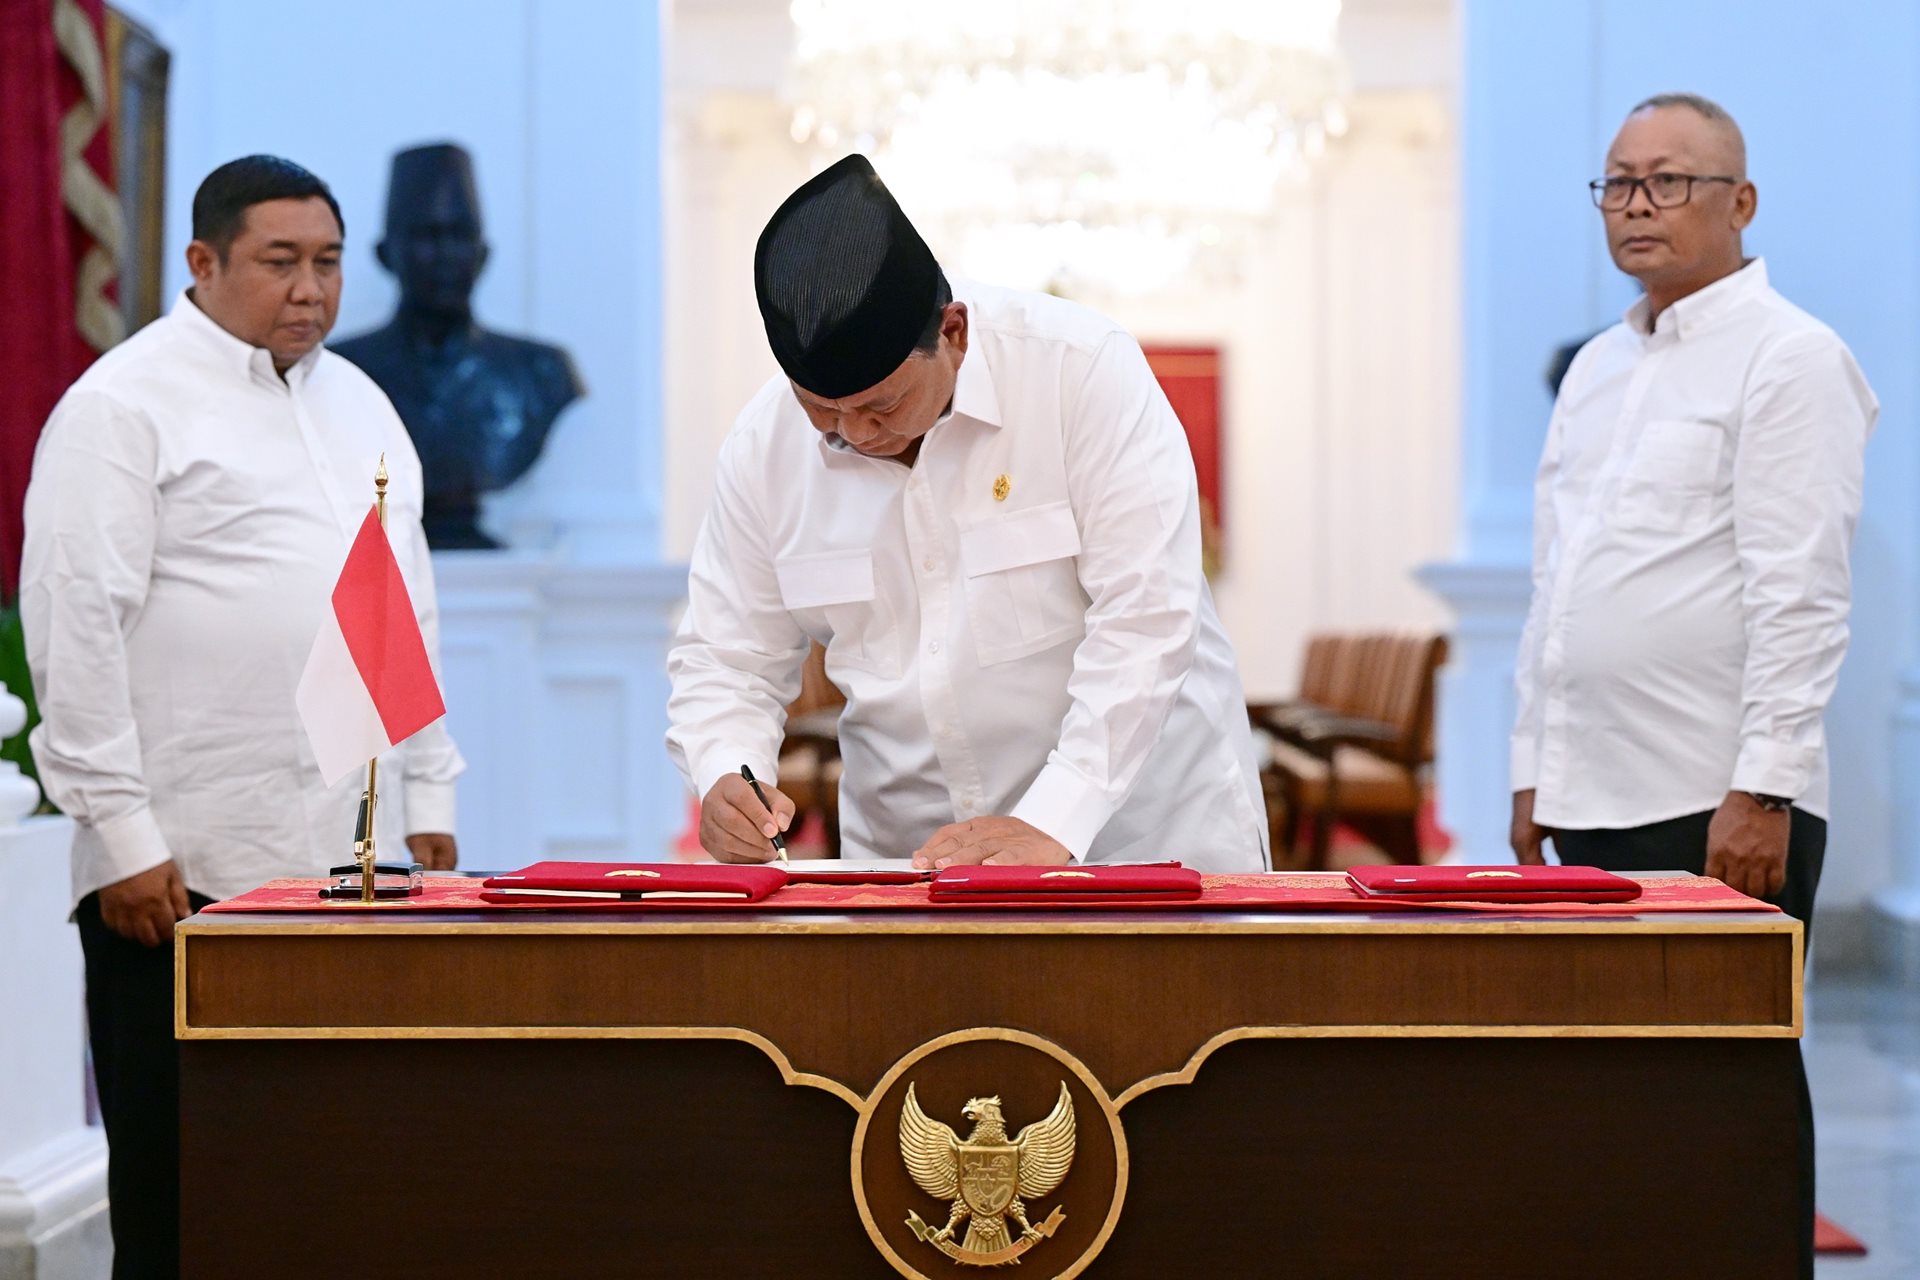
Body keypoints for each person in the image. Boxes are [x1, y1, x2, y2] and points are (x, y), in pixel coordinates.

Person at [20, 155, 465, 1280]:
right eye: (280, 263)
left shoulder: (361, 400)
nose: (310, 289)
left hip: (351, 869)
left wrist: (430, 790)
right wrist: (122, 836)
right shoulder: (121, 405)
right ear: (204, 262)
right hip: (179, 877)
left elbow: (402, 609)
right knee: (186, 1205)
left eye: (326, 263)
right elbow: (75, 625)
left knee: (338, 1185)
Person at [1508, 95, 1875, 1279]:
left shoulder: (1791, 356)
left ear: (1741, 203)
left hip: (1717, 798)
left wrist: (1763, 786)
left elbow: (1801, 588)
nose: (1637, 206)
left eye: (1669, 182)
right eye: (1618, 183)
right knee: (1616, 1092)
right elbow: (1556, 586)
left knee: (1733, 1092)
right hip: (1595, 788)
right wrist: (1530, 769)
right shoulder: (1601, 368)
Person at [667, 155, 1267, 873]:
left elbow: (1146, 620)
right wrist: (727, 771)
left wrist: (1053, 820)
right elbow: (727, 657)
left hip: (1138, 843)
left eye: (880, 406)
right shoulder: (764, 448)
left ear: (953, 332)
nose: (854, 435)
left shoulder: (1080, 371)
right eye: (823, 411)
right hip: (903, 866)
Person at [333, 142, 583, 549]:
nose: (445, 256)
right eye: (426, 237)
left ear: (483, 255)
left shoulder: (541, 373)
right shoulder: (341, 371)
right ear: (385, 255)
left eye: (459, 236)